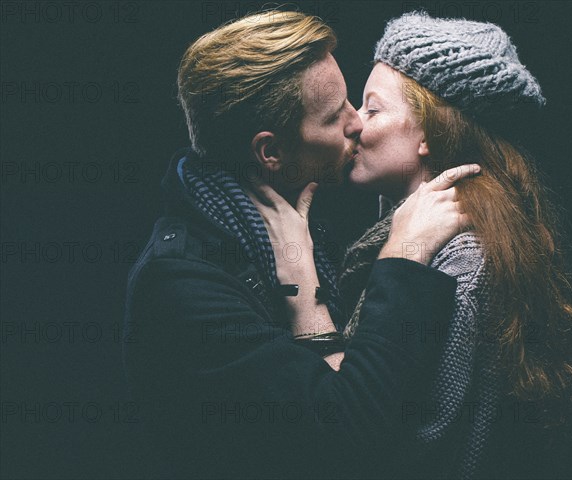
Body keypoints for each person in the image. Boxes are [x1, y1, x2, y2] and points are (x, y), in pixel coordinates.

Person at [122, 10, 479, 479]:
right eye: (335, 116)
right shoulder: (183, 287)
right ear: (271, 153)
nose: (358, 124)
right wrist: (404, 253)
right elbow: (345, 439)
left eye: (357, 103)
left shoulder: (297, 221)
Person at [255, 11, 572, 480]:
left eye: (372, 108)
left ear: (428, 133)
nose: (353, 125)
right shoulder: (416, 234)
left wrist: (305, 290)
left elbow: (395, 454)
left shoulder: (460, 264)